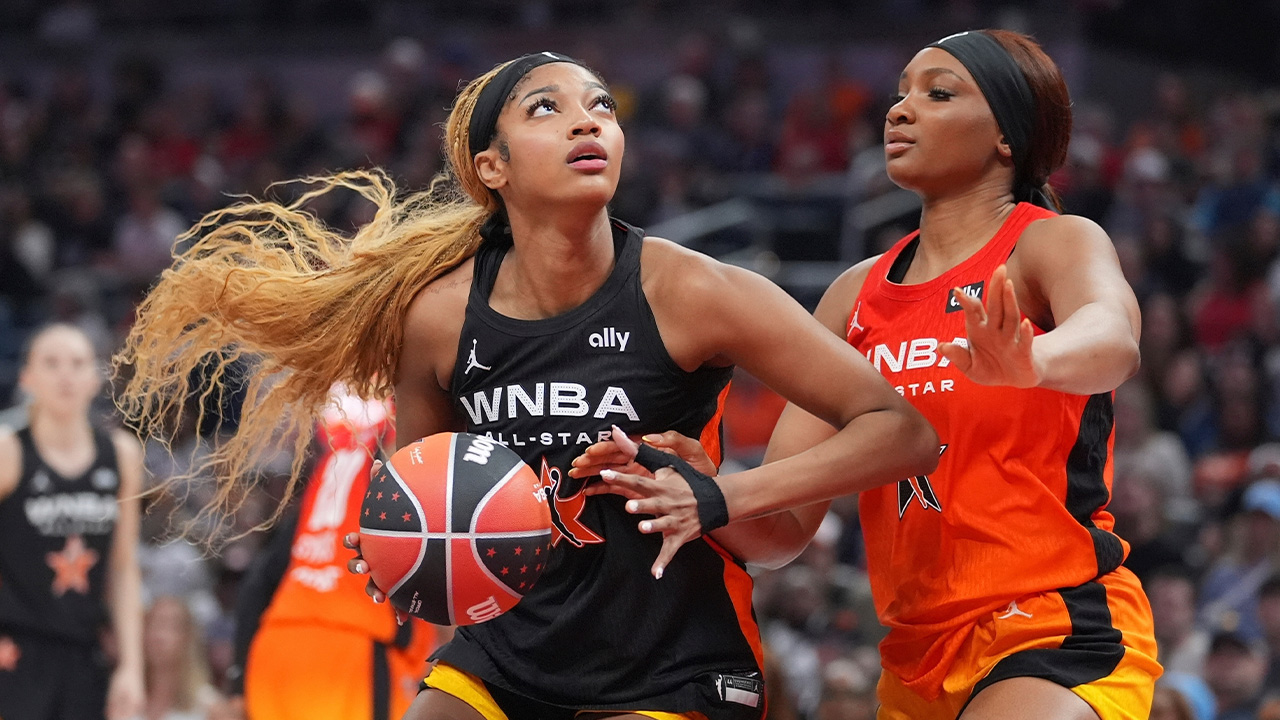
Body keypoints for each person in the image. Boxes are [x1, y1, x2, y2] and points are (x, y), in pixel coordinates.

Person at [113, 52, 939, 720]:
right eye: (548, 107)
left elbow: (901, 429)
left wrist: (722, 495)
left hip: (671, 661)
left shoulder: (693, 292)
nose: (589, 119)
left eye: (602, 106)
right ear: (491, 166)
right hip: (506, 657)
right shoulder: (437, 319)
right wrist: (404, 547)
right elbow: (422, 486)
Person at [581, 29, 1162, 720]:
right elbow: (785, 531)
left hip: (1051, 620)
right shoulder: (854, 295)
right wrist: (706, 493)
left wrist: (1034, 361)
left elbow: (1114, 335)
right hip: (913, 656)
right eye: (900, 94)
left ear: (1007, 137)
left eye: (937, 94)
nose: (900, 110)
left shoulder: (1049, 242)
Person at [221, 386, 436, 720]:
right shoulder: (398, 483)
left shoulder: (326, 474)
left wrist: (237, 682)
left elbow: (258, 582)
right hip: (351, 644)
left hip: (275, 645)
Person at [0, 323, 146, 720]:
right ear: (27, 377)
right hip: (16, 648)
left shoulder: (121, 455)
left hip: (85, 649)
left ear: (95, 378)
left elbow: (122, 567)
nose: (65, 374)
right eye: (51, 363)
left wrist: (132, 667)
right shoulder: (8, 452)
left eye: (78, 363)